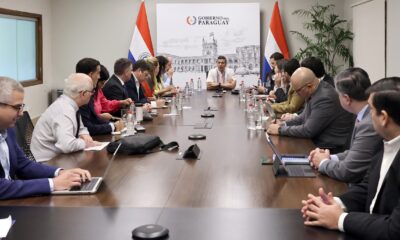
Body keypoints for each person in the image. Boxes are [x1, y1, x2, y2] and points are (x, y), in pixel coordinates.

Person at [301, 77, 400, 240]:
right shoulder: (383, 144)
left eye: (370, 109)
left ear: (383, 117)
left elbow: (395, 230)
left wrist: (340, 219)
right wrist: (335, 203)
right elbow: (367, 188)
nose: (368, 115)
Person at [0, 77, 92, 199]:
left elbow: (23, 165)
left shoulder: (7, 129)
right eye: (17, 107)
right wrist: (52, 184)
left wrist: (60, 172)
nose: (21, 113)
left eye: (22, 106)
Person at [308, 68, 382, 183]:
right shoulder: (363, 114)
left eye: (339, 95)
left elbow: (347, 171)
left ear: (347, 99)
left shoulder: (368, 123)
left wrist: (323, 162)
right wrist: (330, 157)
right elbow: (356, 152)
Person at [267, 67, 354, 153]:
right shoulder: (316, 89)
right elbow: (303, 116)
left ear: (309, 86)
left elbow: (308, 130)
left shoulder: (325, 98)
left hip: (327, 149)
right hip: (314, 143)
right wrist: (283, 124)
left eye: (297, 91)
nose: (296, 94)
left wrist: (280, 130)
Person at [31, 73, 96, 162]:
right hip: (47, 163)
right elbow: (67, 145)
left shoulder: (70, 105)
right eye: (92, 91)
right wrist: (85, 143)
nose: (93, 94)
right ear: (83, 93)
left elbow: (81, 127)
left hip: (59, 157)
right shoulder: (64, 110)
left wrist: (85, 134)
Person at [76, 58, 125, 135]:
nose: (99, 77)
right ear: (90, 75)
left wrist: (112, 124)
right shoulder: (82, 95)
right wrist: (113, 126)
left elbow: (94, 119)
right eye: (98, 73)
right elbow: (89, 127)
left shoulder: (90, 92)